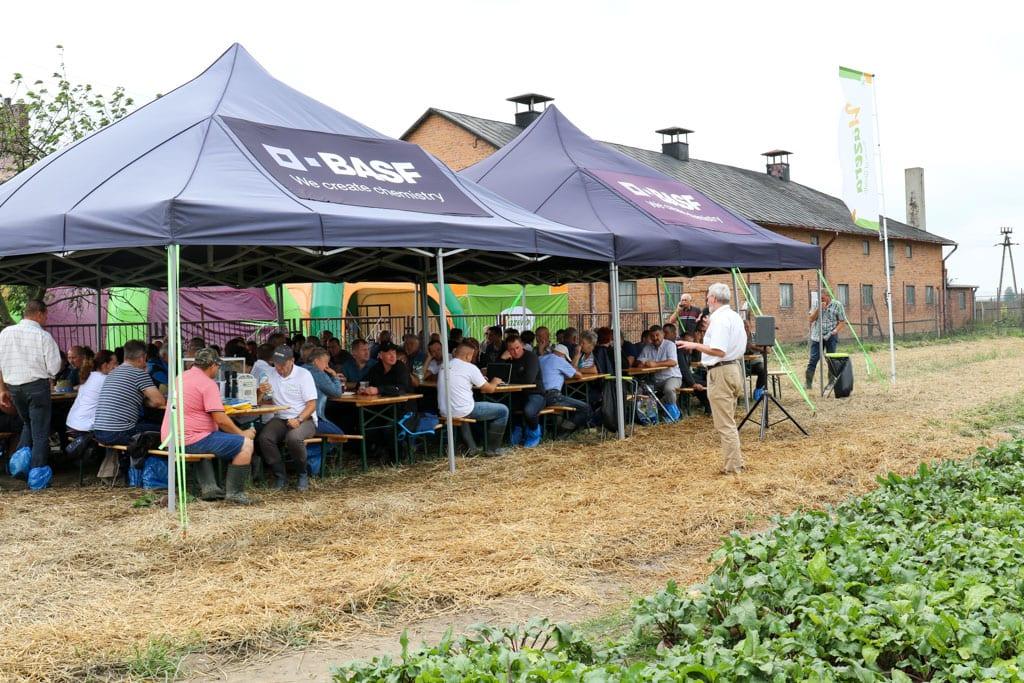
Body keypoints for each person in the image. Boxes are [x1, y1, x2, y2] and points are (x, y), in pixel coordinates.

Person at [159, 347, 256, 504]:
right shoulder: (208, 384)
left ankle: (210, 488)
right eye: (217, 366)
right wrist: (242, 433)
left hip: (169, 438)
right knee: (246, 444)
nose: (218, 369)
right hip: (190, 439)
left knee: (212, 438)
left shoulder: (180, 377)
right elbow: (220, 419)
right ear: (212, 365)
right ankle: (235, 493)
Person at [676, 283, 747, 474]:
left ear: (713, 299)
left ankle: (733, 467)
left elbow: (719, 350)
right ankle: (736, 462)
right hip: (733, 369)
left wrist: (694, 346)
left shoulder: (720, 319)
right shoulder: (733, 316)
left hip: (721, 372)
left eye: (708, 297)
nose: (706, 300)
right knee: (728, 421)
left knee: (725, 424)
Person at [0, 299, 62, 478]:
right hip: (37, 386)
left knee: (28, 424)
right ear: (40, 314)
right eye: (46, 315)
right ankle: (37, 474)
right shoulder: (43, 336)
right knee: (40, 431)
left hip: (14, 388)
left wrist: (2, 389)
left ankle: (19, 466)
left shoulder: (5, 333)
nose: (46, 319)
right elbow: (54, 367)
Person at [257, 345, 318, 491]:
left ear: (292, 361)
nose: (279, 368)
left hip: (305, 418)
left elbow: (311, 405)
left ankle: (302, 473)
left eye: (282, 364)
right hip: (281, 417)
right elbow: (260, 402)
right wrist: (260, 392)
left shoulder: (303, 375)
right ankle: (280, 475)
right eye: (276, 364)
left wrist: (299, 419)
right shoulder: (270, 374)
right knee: (265, 438)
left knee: (294, 438)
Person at [438, 340, 508, 456]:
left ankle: (472, 448)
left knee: (462, 407)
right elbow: (489, 389)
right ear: (468, 356)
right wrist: (495, 382)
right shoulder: (470, 367)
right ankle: (492, 449)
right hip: (462, 410)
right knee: (503, 410)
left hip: (445, 411)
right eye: (472, 356)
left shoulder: (443, 366)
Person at [92, 339, 167, 445]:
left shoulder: (112, 373)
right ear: (142, 358)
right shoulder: (139, 374)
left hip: (99, 431)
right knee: (166, 430)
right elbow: (159, 401)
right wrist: (145, 401)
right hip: (118, 432)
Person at [505, 334, 544, 448]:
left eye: (517, 347)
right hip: (516, 394)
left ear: (522, 345)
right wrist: (502, 359)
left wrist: (510, 378)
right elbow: (498, 375)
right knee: (505, 407)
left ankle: (534, 433)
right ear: (507, 350)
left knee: (529, 411)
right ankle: (518, 430)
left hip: (535, 393)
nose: (515, 351)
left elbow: (528, 379)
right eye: (511, 349)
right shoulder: (507, 360)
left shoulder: (531, 357)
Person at [540, 344, 591, 431]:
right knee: (585, 408)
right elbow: (578, 375)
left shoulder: (541, 358)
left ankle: (558, 429)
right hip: (553, 396)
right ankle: (563, 431)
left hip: (538, 396)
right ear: (563, 355)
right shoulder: (559, 360)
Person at [66, 350, 118, 435]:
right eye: (115, 364)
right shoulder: (106, 379)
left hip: (72, 423)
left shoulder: (89, 375)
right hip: (85, 427)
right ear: (105, 365)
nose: (117, 367)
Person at [664, 323, 711, 415]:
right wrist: (693, 383)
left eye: (690, 343)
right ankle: (708, 408)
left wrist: (696, 343)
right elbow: (683, 369)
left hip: (682, 376)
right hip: (676, 377)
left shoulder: (683, 350)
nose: (688, 345)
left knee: (703, 381)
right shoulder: (677, 348)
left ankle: (708, 407)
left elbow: (697, 359)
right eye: (687, 342)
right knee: (700, 385)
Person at [806, 291, 846, 389]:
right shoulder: (816, 304)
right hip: (817, 336)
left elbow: (842, 321)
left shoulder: (837, 305)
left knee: (831, 359)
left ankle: (831, 382)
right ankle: (808, 383)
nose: (821, 300)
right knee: (813, 359)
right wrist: (819, 309)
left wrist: (835, 331)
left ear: (828, 296)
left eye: (822, 298)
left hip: (831, 335)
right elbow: (811, 319)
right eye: (819, 298)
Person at [635, 326, 682, 408]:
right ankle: (648, 412)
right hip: (655, 380)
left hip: (672, 377)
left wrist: (655, 364)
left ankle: (671, 413)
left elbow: (673, 362)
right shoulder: (647, 347)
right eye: (652, 336)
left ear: (663, 334)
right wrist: (640, 363)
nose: (655, 338)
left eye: (657, 335)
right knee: (640, 390)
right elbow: (638, 361)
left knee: (669, 389)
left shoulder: (670, 345)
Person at [304, 347, 345, 434]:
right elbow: (337, 393)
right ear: (316, 361)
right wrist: (334, 376)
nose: (327, 366)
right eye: (325, 362)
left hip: (296, 416)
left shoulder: (301, 369)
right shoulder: (318, 373)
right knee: (340, 435)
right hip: (313, 419)